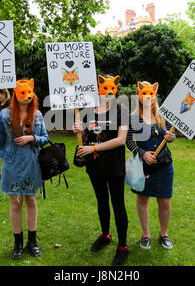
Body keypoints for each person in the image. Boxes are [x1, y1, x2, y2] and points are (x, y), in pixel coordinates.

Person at [0, 78, 48, 259]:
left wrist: (32, 138)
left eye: (29, 93)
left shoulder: (37, 115)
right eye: (22, 93)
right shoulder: (5, 115)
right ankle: (18, 242)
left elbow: (45, 138)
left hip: (31, 163)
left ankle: (32, 241)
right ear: (15, 94)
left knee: (31, 201)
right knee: (15, 202)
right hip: (11, 163)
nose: (26, 97)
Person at [73, 75, 129, 266]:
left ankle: (122, 247)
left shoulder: (121, 111)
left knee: (118, 204)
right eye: (105, 88)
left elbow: (121, 140)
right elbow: (86, 135)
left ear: (116, 88)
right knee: (102, 202)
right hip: (95, 166)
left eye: (112, 88)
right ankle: (105, 235)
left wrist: (93, 148)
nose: (109, 92)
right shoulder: (88, 111)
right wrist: (78, 130)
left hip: (114, 166)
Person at [126, 81, 176, 250]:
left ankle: (164, 234)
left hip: (164, 164)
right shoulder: (133, 117)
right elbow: (128, 141)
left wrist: (171, 137)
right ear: (139, 95)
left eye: (150, 94)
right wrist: (142, 153)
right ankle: (145, 234)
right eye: (144, 94)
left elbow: (170, 134)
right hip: (144, 166)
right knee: (142, 199)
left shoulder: (162, 115)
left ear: (154, 94)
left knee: (165, 201)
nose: (147, 97)